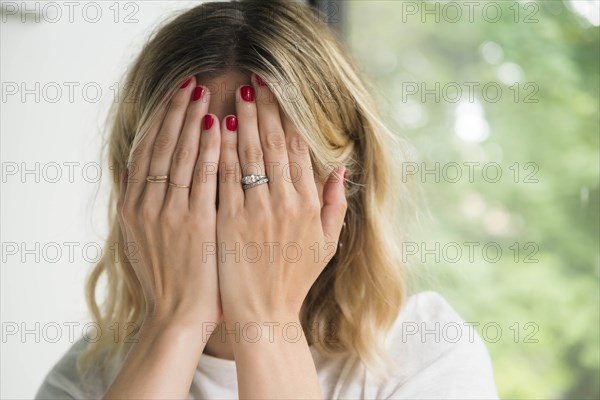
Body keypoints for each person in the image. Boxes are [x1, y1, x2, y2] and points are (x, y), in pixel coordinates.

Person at [35, 0, 498, 398]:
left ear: (342, 189)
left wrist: (267, 322)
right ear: (133, 192)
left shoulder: (427, 356)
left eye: (264, 181)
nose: (230, 217)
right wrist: (175, 322)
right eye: (189, 175)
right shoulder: (88, 381)